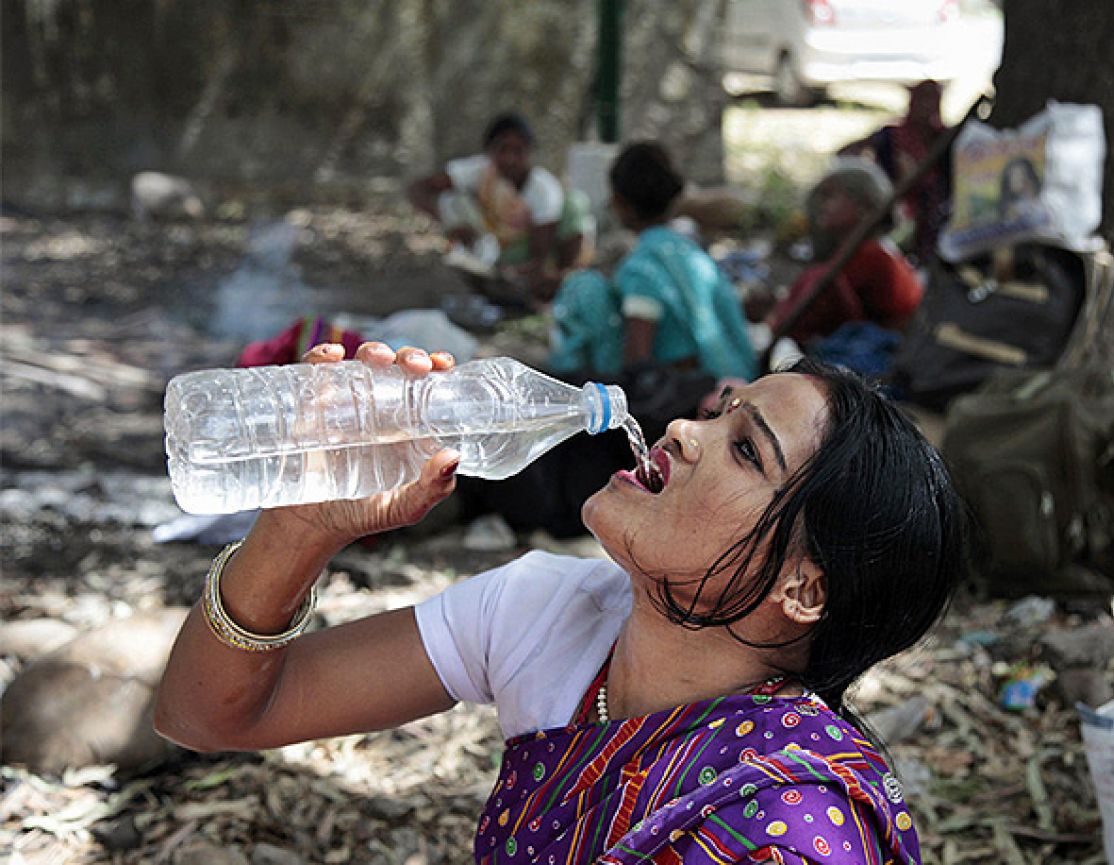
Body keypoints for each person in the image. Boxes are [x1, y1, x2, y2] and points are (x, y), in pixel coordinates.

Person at [155, 340, 968, 864]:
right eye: (720, 413)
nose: (682, 430)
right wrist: (301, 525)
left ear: (804, 587)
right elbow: (207, 714)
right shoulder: (551, 608)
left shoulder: (787, 833)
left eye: (745, 449)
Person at [548, 140, 758, 383]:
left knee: (584, 287)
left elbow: (637, 360)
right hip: (742, 376)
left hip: (704, 393)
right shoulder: (689, 252)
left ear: (619, 202)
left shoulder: (642, 267)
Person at [407, 112, 591, 300]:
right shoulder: (479, 171)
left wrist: (514, 272)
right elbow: (418, 188)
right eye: (503, 149)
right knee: (452, 200)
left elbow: (539, 257)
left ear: (529, 152)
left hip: (524, 256)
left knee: (574, 203)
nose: (509, 159)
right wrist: (449, 224)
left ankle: (564, 280)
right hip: (487, 246)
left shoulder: (543, 189)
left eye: (518, 151)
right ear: (489, 150)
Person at [766, 161, 924, 348]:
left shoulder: (870, 255)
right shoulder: (855, 252)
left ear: (863, 206)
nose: (822, 205)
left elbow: (811, 317)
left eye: (830, 196)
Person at [838, 79, 950, 265]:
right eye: (921, 100)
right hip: (898, 209)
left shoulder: (945, 138)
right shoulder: (890, 136)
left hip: (935, 211)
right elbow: (846, 152)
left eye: (932, 100)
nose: (926, 107)